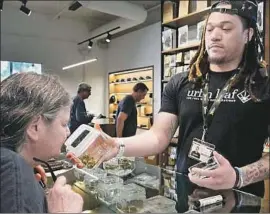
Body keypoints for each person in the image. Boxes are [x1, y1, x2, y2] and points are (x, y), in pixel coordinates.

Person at [102, 0, 270, 198]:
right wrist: (116, 145)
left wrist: (238, 176)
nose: (215, 36)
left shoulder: (263, 85)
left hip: (239, 199)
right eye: (209, 29)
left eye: (226, 28)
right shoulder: (182, 81)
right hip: (185, 195)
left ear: (248, 35)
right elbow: (158, 137)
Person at [0, 72, 83, 213]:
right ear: (34, 127)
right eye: (64, 124)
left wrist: (27, 167)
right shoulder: (11, 171)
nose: (67, 132)